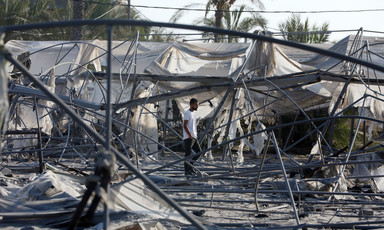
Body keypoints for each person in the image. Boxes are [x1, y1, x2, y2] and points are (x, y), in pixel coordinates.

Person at [183, 98, 202, 177]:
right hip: (189, 137)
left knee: (199, 152)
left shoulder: (192, 113)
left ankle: (191, 166)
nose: (197, 106)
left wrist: (194, 136)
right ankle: (187, 171)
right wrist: (190, 135)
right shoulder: (187, 113)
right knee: (188, 154)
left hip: (194, 137)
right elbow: (185, 125)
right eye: (195, 105)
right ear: (191, 105)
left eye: (197, 105)